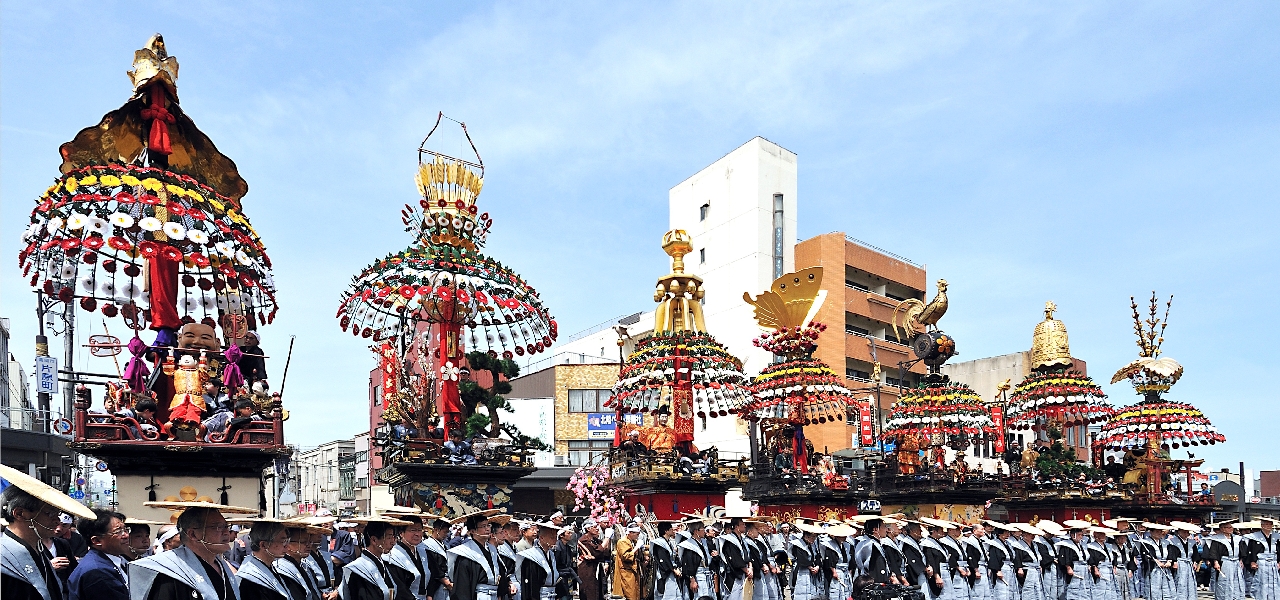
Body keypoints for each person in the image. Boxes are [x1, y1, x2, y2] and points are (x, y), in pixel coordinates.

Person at [1, 464, 96, 600]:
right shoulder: (3, 557)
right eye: (50, 513)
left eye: (58, 514)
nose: (57, 521)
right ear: (20, 514)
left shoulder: (38, 550)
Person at [129, 503, 244, 600]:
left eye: (226, 526)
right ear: (193, 534)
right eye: (218, 527)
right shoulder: (170, 571)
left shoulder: (222, 565)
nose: (226, 533)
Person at [67, 508, 131, 600]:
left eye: (125, 529)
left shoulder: (111, 562)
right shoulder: (97, 572)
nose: (126, 535)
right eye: (118, 531)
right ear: (97, 541)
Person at [448, 511, 505, 600]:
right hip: (479, 595)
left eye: (488, 525)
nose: (487, 529)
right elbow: (462, 585)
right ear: (473, 531)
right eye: (483, 526)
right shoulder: (466, 553)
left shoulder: (492, 550)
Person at [236, 520, 294, 600]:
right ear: (263, 545)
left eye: (287, 541)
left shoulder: (269, 566)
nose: (287, 546)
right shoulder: (248, 578)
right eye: (282, 541)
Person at [517, 521, 574, 600]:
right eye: (552, 537)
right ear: (541, 538)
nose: (554, 540)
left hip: (552, 594)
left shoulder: (551, 554)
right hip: (540, 595)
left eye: (555, 537)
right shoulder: (532, 556)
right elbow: (532, 584)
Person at [276, 520, 325, 600]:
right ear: (287, 544)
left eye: (310, 542)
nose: (309, 545)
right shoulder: (281, 568)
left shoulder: (305, 565)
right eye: (303, 542)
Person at [386, 515, 430, 600]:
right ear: (401, 533)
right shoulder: (393, 555)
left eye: (419, 530)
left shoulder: (423, 552)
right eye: (413, 530)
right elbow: (399, 587)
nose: (417, 534)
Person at [1207, 521, 1248, 600]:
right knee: (1224, 580)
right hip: (1225, 562)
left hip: (1236, 562)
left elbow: (1242, 551)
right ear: (1222, 529)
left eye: (1231, 527)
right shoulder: (1217, 539)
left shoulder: (1237, 538)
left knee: (1238, 580)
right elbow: (1214, 551)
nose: (1231, 529)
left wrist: (1241, 560)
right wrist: (1215, 562)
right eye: (1228, 527)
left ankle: (1237, 597)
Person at [1140, 523, 1177, 600]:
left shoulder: (1166, 542)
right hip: (1154, 569)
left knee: (1167, 588)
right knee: (1154, 589)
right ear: (1151, 532)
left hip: (1165, 569)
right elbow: (1146, 555)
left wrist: (1169, 561)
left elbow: (1171, 552)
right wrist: (1156, 561)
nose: (1159, 533)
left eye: (1160, 531)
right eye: (1157, 531)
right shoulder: (1146, 542)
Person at [1245, 518, 1278, 600]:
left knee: (1275, 581)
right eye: (1266, 524)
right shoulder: (1254, 537)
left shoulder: (1277, 536)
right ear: (1262, 526)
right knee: (1261, 581)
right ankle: (1261, 597)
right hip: (1261, 561)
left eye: (1270, 524)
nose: (1268, 526)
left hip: (1273, 561)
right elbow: (1251, 550)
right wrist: (1252, 561)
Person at [424, 515, 455, 600]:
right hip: (436, 584)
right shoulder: (427, 545)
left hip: (447, 583)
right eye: (444, 532)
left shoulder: (445, 545)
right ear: (436, 530)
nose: (446, 535)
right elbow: (434, 568)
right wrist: (446, 582)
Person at [790, 522, 823, 600]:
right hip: (803, 571)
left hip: (813, 571)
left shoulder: (813, 544)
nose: (814, 539)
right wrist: (811, 567)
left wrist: (817, 566)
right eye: (813, 537)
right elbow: (801, 559)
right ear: (806, 536)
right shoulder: (798, 544)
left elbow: (818, 556)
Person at [578, 520, 610, 600]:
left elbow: (604, 550)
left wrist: (608, 541)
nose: (597, 529)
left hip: (596, 567)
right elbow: (597, 552)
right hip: (587, 568)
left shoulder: (595, 539)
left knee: (598, 590)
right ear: (588, 529)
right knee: (590, 591)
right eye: (595, 527)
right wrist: (607, 538)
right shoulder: (583, 540)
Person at [1167, 522, 1200, 600]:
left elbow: (1195, 553)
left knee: (1190, 581)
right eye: (1184, 532)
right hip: (1180, 562)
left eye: (1187, 532)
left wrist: (1195, 562)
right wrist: (1174, 562)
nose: (1186, 534)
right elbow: (1172, 552)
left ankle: (1190, 597)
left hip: (1189, 563)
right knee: (1180, 580)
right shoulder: (1173, 541)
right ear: (1179, 532)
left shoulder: (1192, 542)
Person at [649, 522, 681, 600]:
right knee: (667, 594)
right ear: (666, 531)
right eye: (671, 529)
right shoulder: (659, 543)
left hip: (671, 570)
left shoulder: (668, 542)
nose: (673, 531)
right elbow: (664, 559)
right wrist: (673, 569)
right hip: (665, 572)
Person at [823, 523, 856, 600]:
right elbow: (830, 559)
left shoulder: (847, 545)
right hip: (837, 570)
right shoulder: (830, 545)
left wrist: (850, 571)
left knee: (847, 590)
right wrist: (834, 571)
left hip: (846, 570)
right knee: (836, 590)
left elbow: (851, 559)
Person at [855, 518, 892, 583]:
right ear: (875, 530)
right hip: (875, 582)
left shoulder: (868, 543)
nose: (887, 530)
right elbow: (876, 568)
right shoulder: (871, 545)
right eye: (884, 527)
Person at [614, 525, 642, 600]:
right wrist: (636, 548)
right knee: (629, 594)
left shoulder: (633, 541)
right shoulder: (622, 541)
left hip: (634, 571)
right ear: (630, 533)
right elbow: (626, 556)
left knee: (636, 594)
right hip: (626, 572)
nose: (638, 536)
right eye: (637, 534)